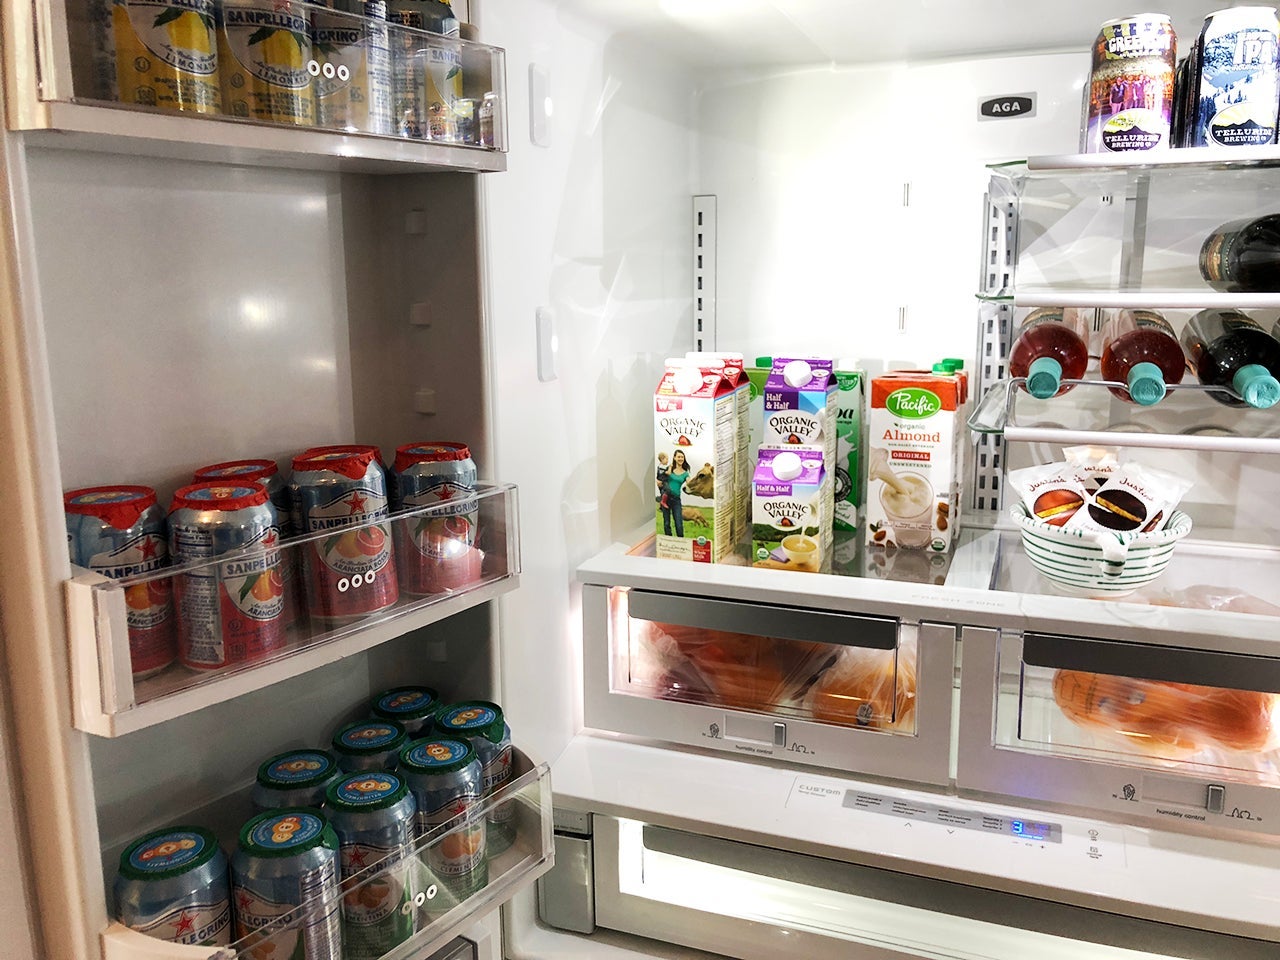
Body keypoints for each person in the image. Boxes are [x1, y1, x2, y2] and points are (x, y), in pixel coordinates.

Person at [660, 449, 690, 537]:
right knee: (666, 523)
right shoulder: (669, 468)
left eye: (682, 457)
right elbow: (660, 477)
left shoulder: (685, 473)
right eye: (679, 457)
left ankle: (681, 542)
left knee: (679, 524)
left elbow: (690, 482)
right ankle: (669, 541)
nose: (680, 458)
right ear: (674, 458)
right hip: (666, 498)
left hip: (676, 500)